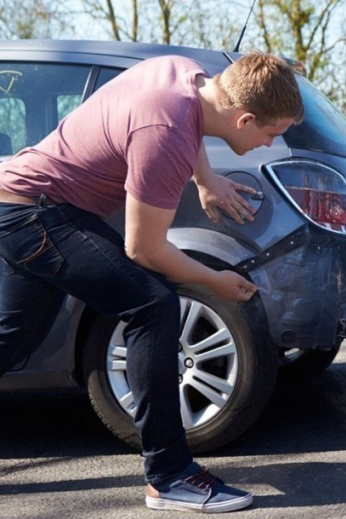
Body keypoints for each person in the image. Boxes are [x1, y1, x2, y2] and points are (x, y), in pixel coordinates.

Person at [0, 51, 303, 512]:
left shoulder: (185, 75)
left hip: (23, 202)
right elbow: (144, 249)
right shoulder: (165, 133)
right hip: (36, 213)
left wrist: (204, 178)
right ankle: (169, 474)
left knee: (11, 340)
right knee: (152, 304)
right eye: (270, 133)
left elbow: (190, 121)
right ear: (243, 118)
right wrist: (213, 281)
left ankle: (169, 472)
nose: (268, 143)